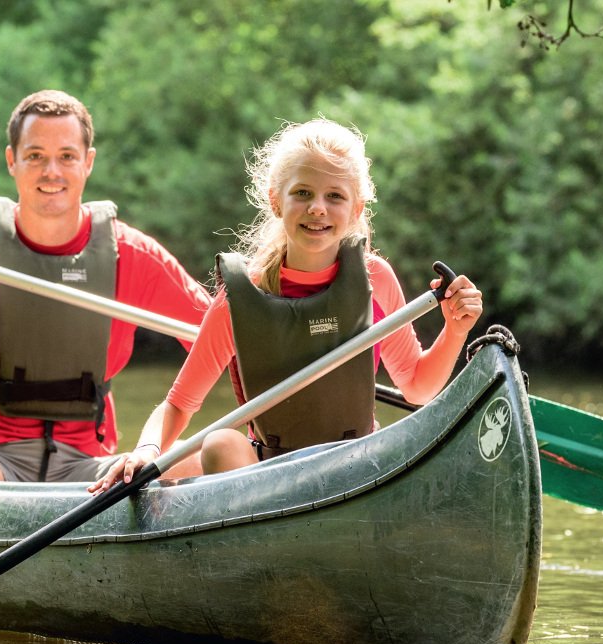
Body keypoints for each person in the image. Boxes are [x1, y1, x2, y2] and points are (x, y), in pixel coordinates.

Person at [89, 117, 482, 492]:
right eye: (303, 193)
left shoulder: (374, 279)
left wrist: (456, 329)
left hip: (353, 464)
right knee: (219, 443)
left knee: (207, 450)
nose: (317, 208)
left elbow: (416, 387)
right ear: (276, 201)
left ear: (357, 209)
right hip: (267, 473)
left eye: (335, 196)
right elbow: (179, 404)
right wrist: (146, 451)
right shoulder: (244, 298)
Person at [0, 89, 211, 483]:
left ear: (88, 163)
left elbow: (220, 339)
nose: (51, 172)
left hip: (91, 466)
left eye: (67, 157)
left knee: (202, 458)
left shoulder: (133, 255)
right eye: (36, 156)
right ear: (12, 161)